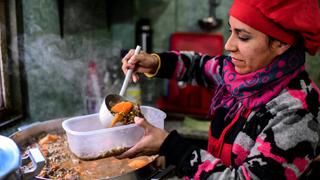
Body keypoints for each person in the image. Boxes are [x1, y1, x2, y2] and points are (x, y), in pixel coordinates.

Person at [118, 0, 320, 179]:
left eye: (243, 37)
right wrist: (155, 62)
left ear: (280, 43)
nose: (228, 45)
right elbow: (197, 66)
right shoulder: (240, 75)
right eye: (230, 31)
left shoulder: (297, 112)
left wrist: (171, 146)